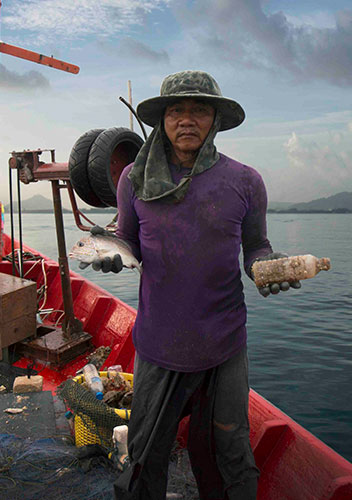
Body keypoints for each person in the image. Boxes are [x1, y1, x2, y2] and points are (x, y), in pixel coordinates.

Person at [83, 71, 301, 500]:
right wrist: (112, 251)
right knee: (146, 454)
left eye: (199, 109)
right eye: (176, 110)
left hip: (224, 342)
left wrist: (268, 266)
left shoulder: (245, 181)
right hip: (158, 343)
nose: (187, 119)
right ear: (163, 120)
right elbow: (128, 240)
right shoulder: (134, 179)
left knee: (228, 452)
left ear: (215, 119)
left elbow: (256, 248)